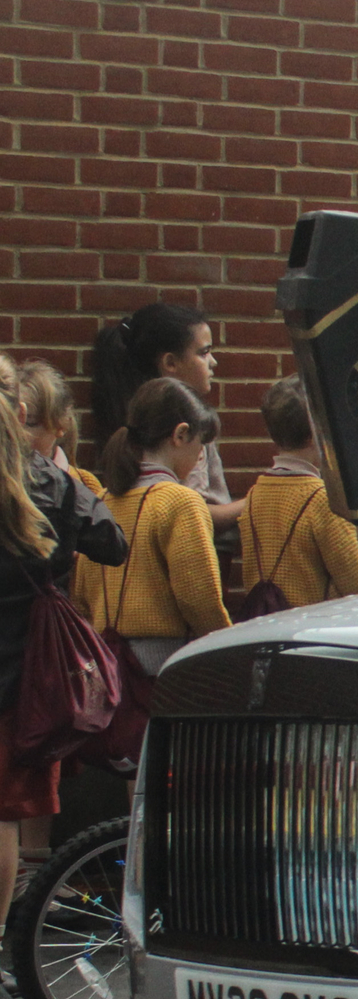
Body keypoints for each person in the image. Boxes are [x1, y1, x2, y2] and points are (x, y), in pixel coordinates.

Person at [0, 356, 125, 896]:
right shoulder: (53, 483)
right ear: (21, 409)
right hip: (21, 681)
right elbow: (113, 545)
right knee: (3, 817)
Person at [79, 379, 228, 716]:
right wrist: (226, 645)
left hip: (105, 669)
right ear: (180, 435)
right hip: (163, 673)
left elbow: (81, 595)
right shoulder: (180, 502)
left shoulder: (99, 501)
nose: (200, 456)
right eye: (201, 445)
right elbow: (198, 598)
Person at [89, 303, 238, 522]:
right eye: (204, 352)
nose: (213, 362)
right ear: (170, 362)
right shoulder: (184, 428)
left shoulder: (137, 418)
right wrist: (256, 503)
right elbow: (190, 512)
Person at [236, 376, 358, 611]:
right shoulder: (326, 500)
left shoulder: (256, 493)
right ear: (316, 434)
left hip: (265, 627)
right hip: (314, 629)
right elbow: (355, 586)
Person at [15, 359, 103, 496]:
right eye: (7, 422)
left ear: (61, 425)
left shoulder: (85, 485)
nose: (16, 433)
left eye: (29, 423)